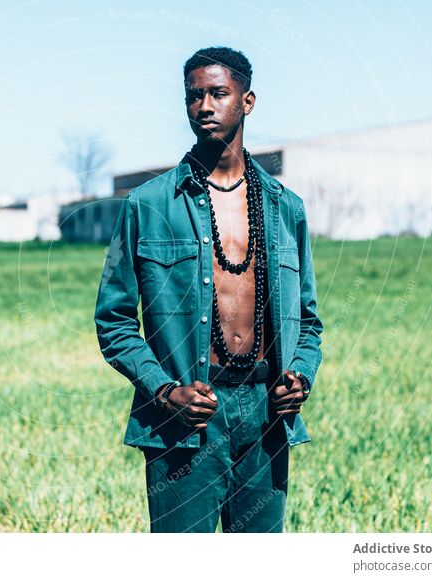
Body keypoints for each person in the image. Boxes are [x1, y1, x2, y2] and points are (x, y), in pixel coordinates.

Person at [94, 46, 323, 533]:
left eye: (218, 93)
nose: (204, 106)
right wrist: (164, 392)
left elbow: (308, 321)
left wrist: (299, 376)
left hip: (266, 417)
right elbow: (113, 321)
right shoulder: (147, 205)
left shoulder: (287, 209)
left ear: (248, 100)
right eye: (193, 96)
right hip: (185, 421)